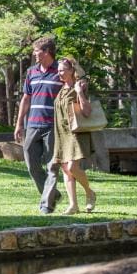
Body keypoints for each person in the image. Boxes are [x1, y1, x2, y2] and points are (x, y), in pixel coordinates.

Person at [14, 36, 63, 214]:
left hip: (53, 126)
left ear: (47, 52)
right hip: (33, 125)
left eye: (37, 52)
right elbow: (26, 99)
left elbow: (74, 86)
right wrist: (19, 124)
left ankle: (46, 205)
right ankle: (53, 194)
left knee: (52, 166)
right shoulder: (31, 72)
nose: (35, 55)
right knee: (31, 163)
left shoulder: (60, 71)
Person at [52, 57, 97, 215]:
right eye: (58, 70)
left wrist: (79, 93)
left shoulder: (80, 86)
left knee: (72, 167)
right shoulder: (62, 88)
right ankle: (73, 205)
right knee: (66, 169)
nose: (59, 73)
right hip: (62, 133)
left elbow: (87, 111)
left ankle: (89, 193)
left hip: (76, 133)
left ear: (71, 70)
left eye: (62, 70)